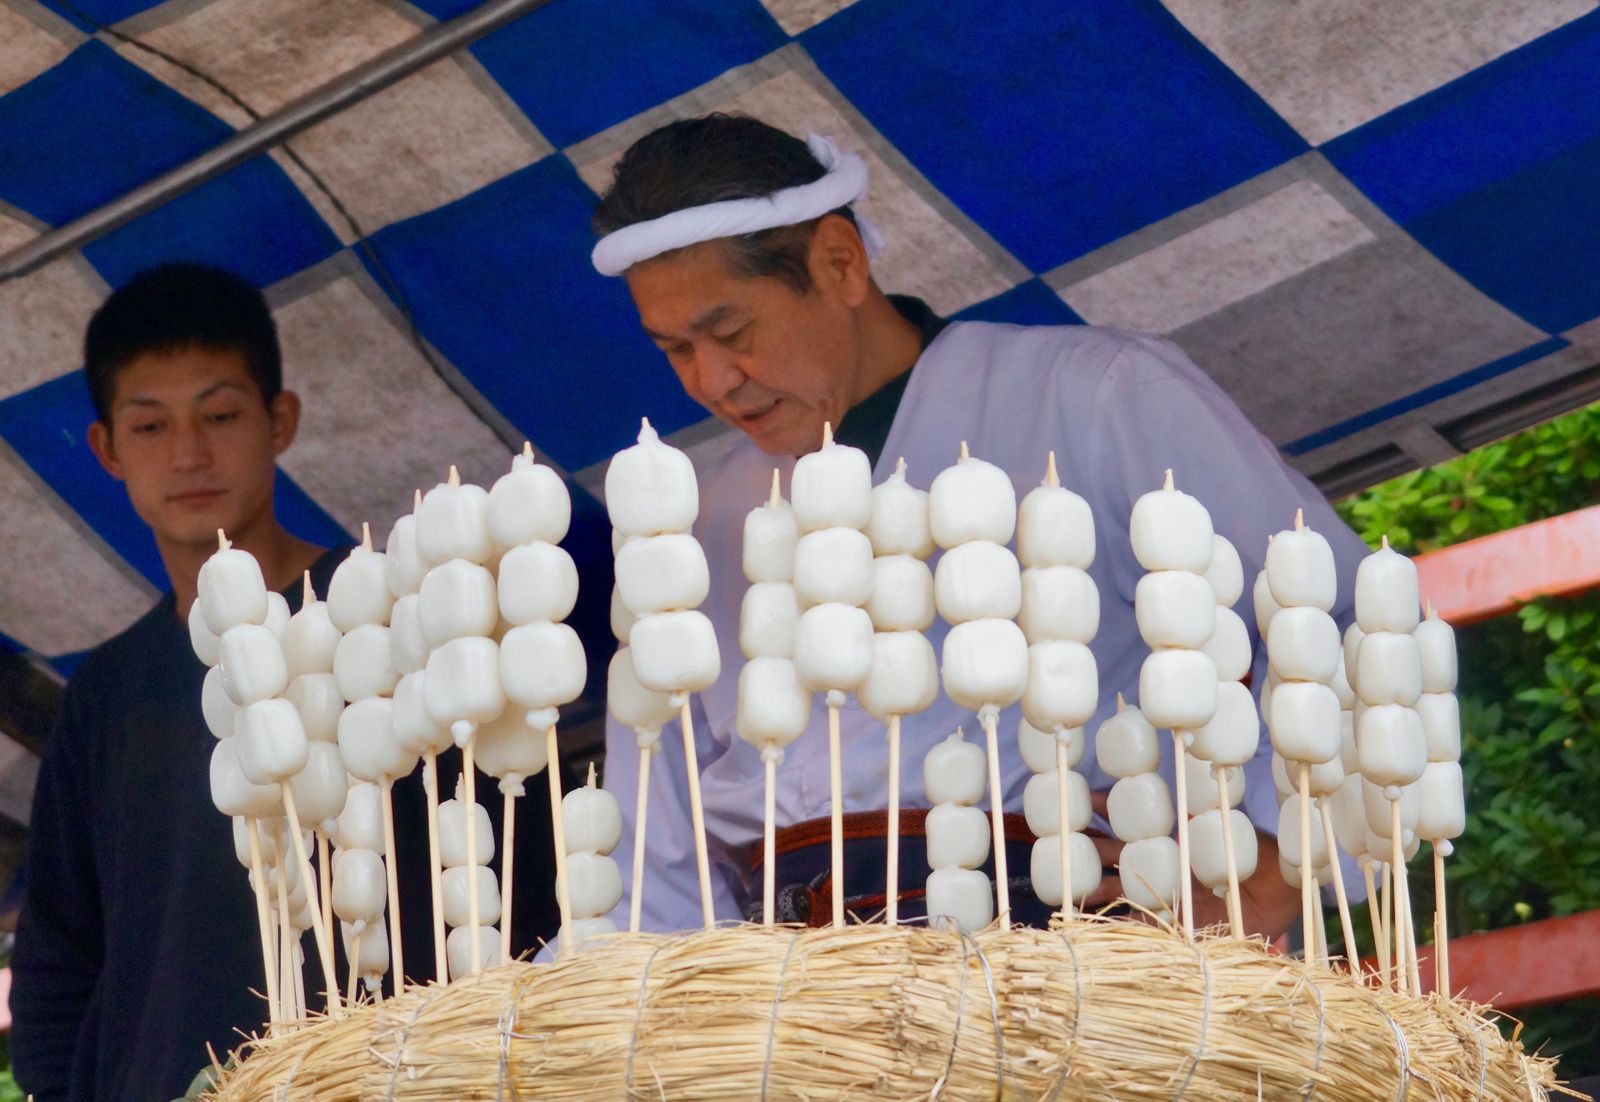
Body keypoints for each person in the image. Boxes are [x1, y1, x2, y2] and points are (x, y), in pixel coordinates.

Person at [588, 115, 1371, 937]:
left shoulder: (1093, 398)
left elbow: (1346, 625)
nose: (712, 380)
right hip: (801, 1013)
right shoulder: (691, 522)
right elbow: (658, 844)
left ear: (839, 263)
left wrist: (1277, 872)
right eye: (674, 349)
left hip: (1082, 953)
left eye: (730, 332)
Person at [9, 264, 563, 1101]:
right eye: (151, 425)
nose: (189, 453)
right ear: (107, 450)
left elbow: (524, 863)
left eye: (221, 414)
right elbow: (59, 960)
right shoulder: (106, 695)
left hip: (405, 1077)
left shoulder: (395, 609)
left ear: (280, 420)